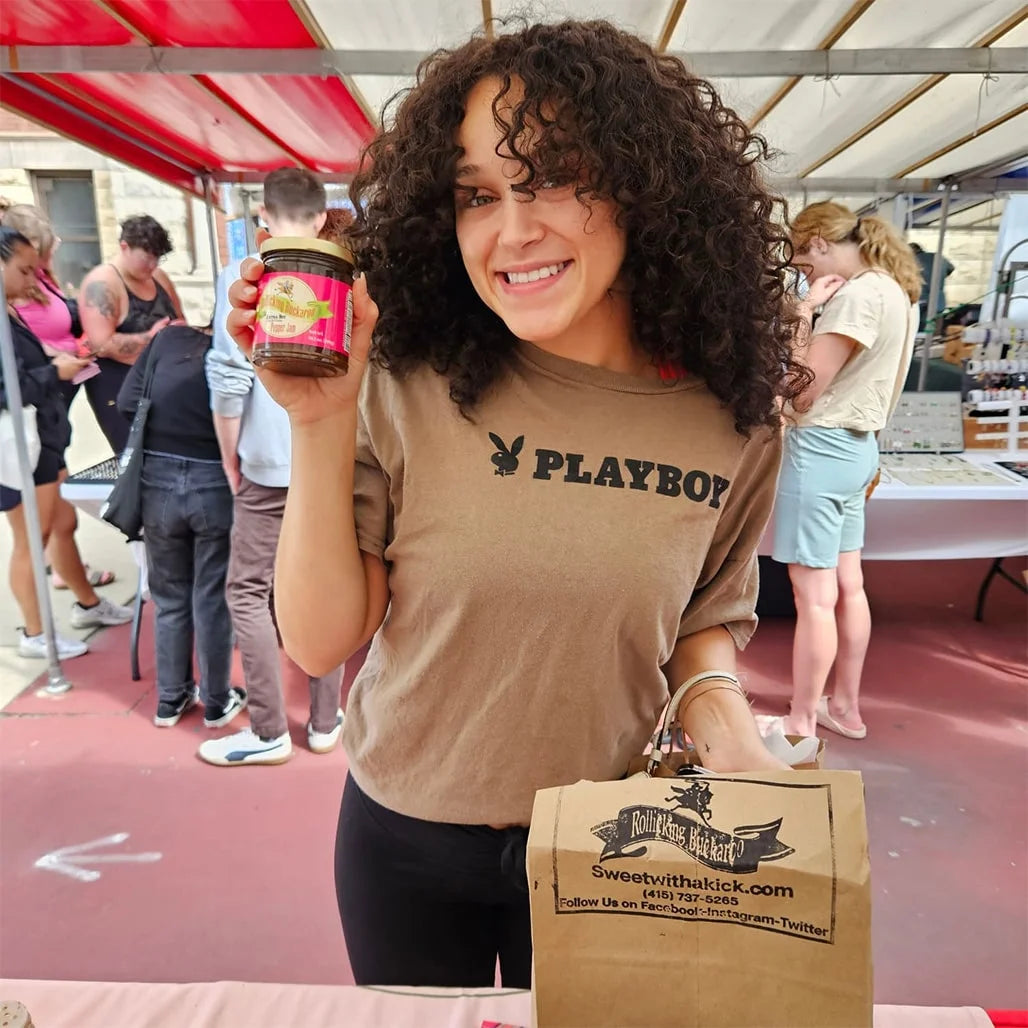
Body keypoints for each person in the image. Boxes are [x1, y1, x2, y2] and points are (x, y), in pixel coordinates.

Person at [225, 20, 811, 988]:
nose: (510, 231)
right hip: (403, 836)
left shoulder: (731, 421)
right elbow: (320, 642)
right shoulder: (406, 382)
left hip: (611, 842)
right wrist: (318, 420)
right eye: (476, 195)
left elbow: (704, 612)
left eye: (549, 179)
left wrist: (732, 733)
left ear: (643, 187)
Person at [198, 167, 343, 767]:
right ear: (319, 218)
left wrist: (231, 457)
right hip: (328, 464)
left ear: (262, 217)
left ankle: (267, 730)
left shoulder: (244, 278)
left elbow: (228, 384)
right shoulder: (340, 277)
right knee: (327, 584)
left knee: (249, 591)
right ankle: (327, 721)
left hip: (265, 463)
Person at [773, 202, 920, 741]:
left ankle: (802, 717)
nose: (802, 271)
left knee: (814, 597)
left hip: (821, 449)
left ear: (817, 243)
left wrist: (802, 312)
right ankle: (846, 707)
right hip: (859, 451)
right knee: (848, 588)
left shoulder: (856, 297)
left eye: (801, 261)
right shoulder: (895, 292)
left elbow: (803, 392)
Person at [1, 227, 133, 660]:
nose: (30, 280)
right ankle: (36, 632)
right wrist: (52, 374)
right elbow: (8, 387)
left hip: (45, 436)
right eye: (23, 270)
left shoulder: (11, 309)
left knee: (62, 525)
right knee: (32, 536)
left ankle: (88, 604)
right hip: (22, 443)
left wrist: (52, 362)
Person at [116, 320, 246, 730]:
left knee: (169, 597)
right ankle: (216, 700)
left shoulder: (167, 339)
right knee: (211, 596)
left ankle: (170, 700)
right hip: (215, 482)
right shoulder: (239, 351)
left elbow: (126, 401)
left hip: (157, 480)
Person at [79, 215, 183, 454]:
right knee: (134, 455)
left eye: (158, 258)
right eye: (147, 258)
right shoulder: (102, 283)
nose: (153, 265)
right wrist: (151, 338)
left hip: (161, 381)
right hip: (120, 386)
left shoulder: (159, 277)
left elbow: (178, 319)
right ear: (124, 247)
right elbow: (101, 344)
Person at [909, 241, 954, 333]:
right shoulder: (938, 257)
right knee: (933, 328)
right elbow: (951, 268)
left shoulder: (912, 261)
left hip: (921, 298)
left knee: (919, 329)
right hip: (938, 299)